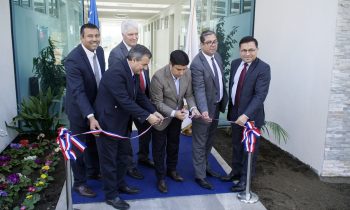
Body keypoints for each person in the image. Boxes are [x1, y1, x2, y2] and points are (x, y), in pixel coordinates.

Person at [94, 44, 163, 210]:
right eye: (144, 64)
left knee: (124, 156)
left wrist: (154, 111)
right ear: (133, 59)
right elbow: (124, 100)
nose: (146, 68)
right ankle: (111, 195)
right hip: (108, 123)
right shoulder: (115, 73)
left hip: (122, 122)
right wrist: (148, 116)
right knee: (109, 161)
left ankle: (121, 184)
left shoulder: (132, 71)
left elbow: (139, 96)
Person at [221, 36, 271, 192]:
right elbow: (234, 88)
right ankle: (235, 173)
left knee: (249, 150)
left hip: (252, 118)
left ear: (257, 50)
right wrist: (232, 112)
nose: (247, 53)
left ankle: (245, 180)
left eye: (251, 50)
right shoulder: (235, 64)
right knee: (236, 145)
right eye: (244, 50)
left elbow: (260, 96)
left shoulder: (263, 68)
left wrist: (246, 115)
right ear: (239, 50)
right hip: (235, 114)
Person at [108, 20, 154, 180]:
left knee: (146, 129)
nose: (134, 37)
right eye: (130, 34)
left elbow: (143, 74)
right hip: (126, 103)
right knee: (125, 135)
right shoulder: (116, 54)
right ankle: (129, 166)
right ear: (123, 35)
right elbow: (121, 87)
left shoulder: (140, 51)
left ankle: (143, 156)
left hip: (141, 97)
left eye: (136, 34)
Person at [150, 50, 201, 193]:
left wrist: (193, 108)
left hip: (177, 117)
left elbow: (189, 95)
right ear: (170, 64)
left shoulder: (187, 73)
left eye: (184, 69)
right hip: (160, 117)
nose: (182, 73)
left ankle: (172, 170)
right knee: (159, 148)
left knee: (174, 144)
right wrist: (174, 113)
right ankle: (160, 178)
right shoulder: (158, 77)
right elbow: (157, 103)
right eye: (178, 69)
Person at [64, 23, 105, 198]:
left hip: (96, 107)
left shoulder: (101, 51)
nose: (94, 39)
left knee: (94, 143)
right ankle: (79, 183)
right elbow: (78, 92)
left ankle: (94, 171)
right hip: (79, 111)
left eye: (96, 35)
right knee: (79, 148)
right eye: (90, 36)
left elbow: (100, 79)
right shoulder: (73, 59)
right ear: (82, 38)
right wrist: (90, 116)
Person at [191, 30, 228, 190]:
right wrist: (204, 110)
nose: (213, 45)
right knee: (200, 142)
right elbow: (198, 89)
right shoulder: (197, 63)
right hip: (203, 111)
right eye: (209, 42)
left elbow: (220, 80)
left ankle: (205, 165)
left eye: (215, 41)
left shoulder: (217, 56)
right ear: (201, 44)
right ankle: (200, 176)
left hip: (217, 106)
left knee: (210, 139)